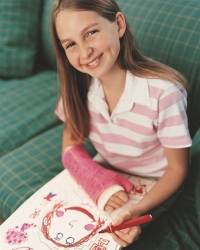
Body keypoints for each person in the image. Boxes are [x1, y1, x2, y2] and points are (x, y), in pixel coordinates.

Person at [51, 0, 192, 247]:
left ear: (118, 24)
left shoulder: (164, 93)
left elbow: (177, 169)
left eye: (91, 33)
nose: (85, 53)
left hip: (156, 184)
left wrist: (138, 210)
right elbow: (71, 143)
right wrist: (97, 181)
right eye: (71, 44)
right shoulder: (77, 85)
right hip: (106, 174)